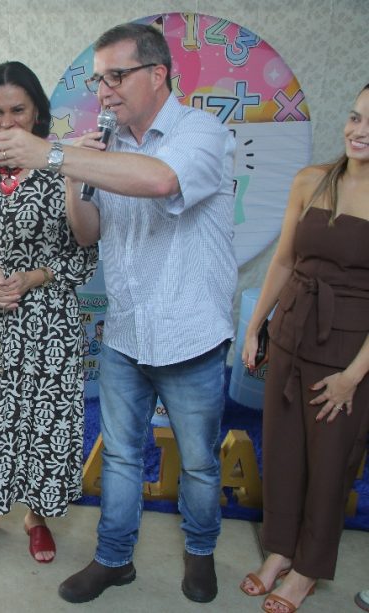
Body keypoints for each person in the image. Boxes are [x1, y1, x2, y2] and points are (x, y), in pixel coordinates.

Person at [0, 24, 237, 604]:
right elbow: (86, 233)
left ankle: (200, 552)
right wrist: (74, 172)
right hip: (126, 330)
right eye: (99, 79)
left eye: (117, 76)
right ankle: (113, 559)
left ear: (159, 75)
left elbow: (161, 180)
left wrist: (53, 153)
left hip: (190, 333)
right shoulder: (105, 144)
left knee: (200, 464)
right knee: (121, 456)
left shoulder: (201, 132)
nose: (103, 91)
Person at [0, 61, 98, 565]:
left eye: (18, 111)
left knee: (39, 419)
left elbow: (83, 255)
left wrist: (31, 278)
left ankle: (36, 516)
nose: (6, 123)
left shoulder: (65, 171)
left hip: (46, 323)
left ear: (38, 114)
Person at [237, 83, 369, 613]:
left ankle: (308, 569)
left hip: (349, 350)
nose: (360, 131)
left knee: (331, 462)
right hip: (291, 330)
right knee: (283, 450)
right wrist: (256, 326)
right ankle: (279, 551)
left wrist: (354, 376)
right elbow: (285, 260)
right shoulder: (311, 180)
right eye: (356, 117)